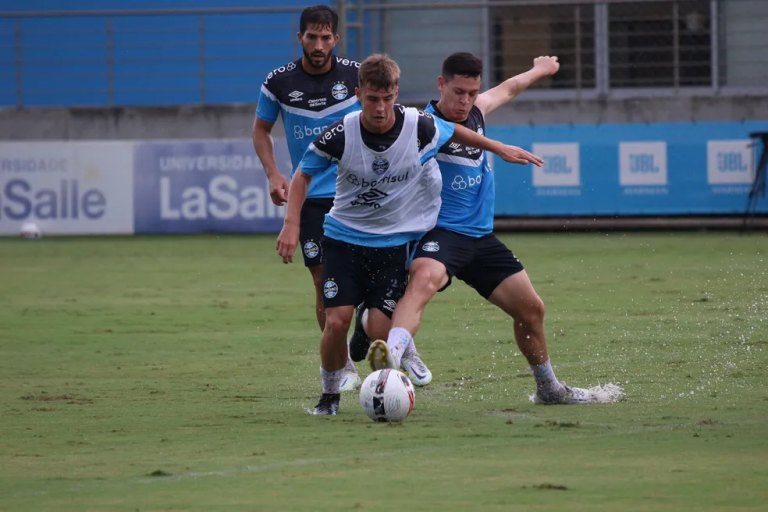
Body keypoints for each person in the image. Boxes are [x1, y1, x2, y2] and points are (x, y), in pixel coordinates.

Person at [276, 54, 543, 415]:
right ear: (359, 95)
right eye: (372, 100)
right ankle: (329, 396)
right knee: (336, 320)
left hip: (393, 244)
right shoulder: (340, 133)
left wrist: (500, 148)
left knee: (383, 327)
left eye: (387, 99)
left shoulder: (419, 124)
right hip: (344, 238)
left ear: (396, 94)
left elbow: (454, 130)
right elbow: (302, 174)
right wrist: (291, 224)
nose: (381, 108)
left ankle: (397, 353)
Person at [367, 53, 624, 405]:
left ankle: (548, 388)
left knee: (531, 309)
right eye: (458, 92)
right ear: (441, 85)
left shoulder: (476, 112)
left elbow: (510, 89)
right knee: (423, 282)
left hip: (481, 238)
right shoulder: (421, 125)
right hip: (440, 234)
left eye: (472, 93)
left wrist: (538, 69)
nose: (465, 101)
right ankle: (392, 357)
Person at [253, 5, 365, 391]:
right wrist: (273, 174)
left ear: (336, 39)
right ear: (299, 38)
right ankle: (344, 363)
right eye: (311, 37)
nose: (318, 45)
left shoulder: (356, 75)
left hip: (359, 192)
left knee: (379, 272)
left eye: (326, 37)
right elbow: (260, 130)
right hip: (312, 196)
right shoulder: (278, 82)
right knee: (323, 280)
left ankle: (382, 334)